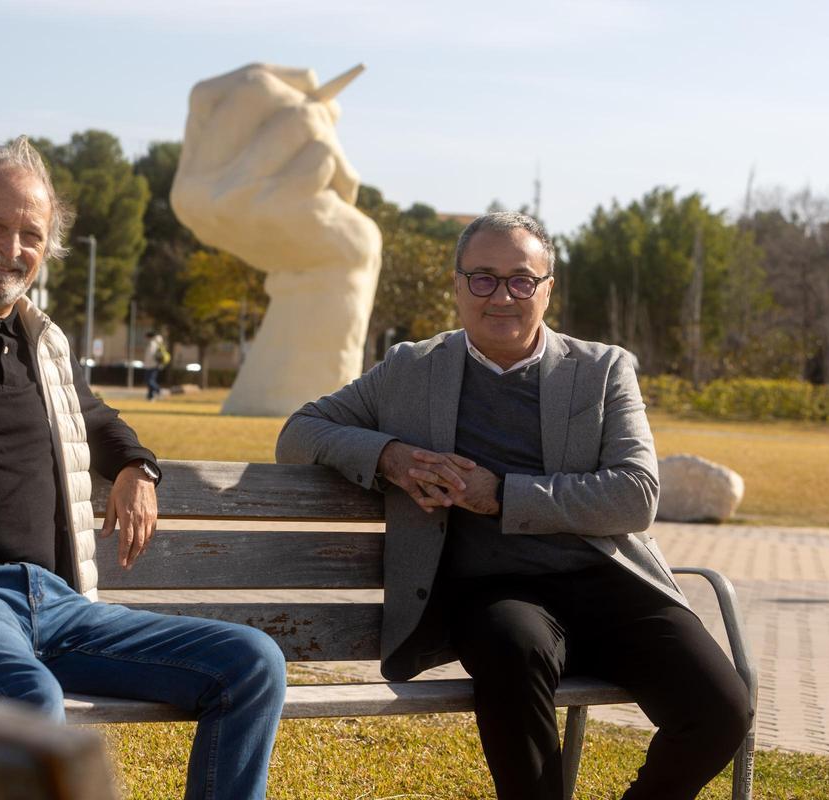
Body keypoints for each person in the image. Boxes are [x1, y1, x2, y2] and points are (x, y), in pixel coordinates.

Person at [0, 136, 284, 800]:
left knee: (252, 663)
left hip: (58, 604)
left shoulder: (46, 343)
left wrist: (135, 466)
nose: (12, 250)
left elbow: (94, 419)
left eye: (30, 235)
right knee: (29, 697)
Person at [276, 212, 751, 800]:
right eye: (482, 278)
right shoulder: (410, 369)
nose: (501, 295)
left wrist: (502, 494)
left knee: (722, 710)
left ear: (548, 289)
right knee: (511, 647)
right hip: (496, 596)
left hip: (608, 581)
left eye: (521, 280)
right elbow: (299, 432)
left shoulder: (602, 370)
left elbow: (636, 494)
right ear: (456, 286)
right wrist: (390, 457)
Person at [142, 330, 167, 400]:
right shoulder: (157, 343)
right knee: (150, 380)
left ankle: (159, 391)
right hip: (153, 365)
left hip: (152, 365)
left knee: (149, 380)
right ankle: (150, 397)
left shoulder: (152, 343)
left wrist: (146, 363)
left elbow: (150, 355)